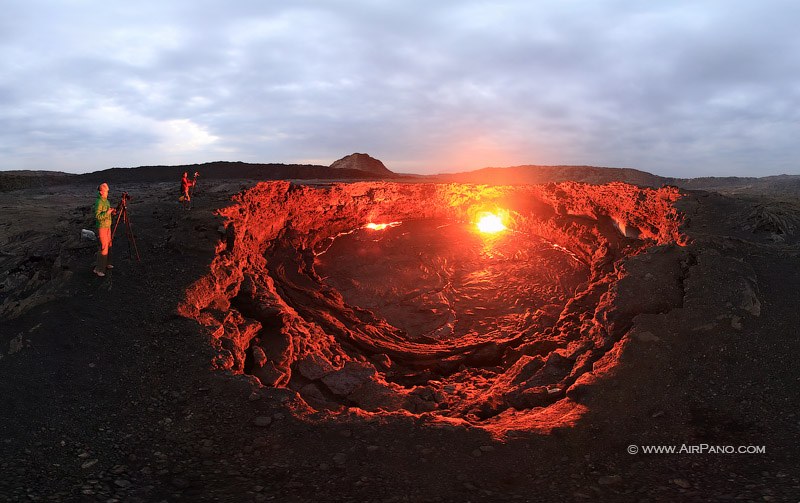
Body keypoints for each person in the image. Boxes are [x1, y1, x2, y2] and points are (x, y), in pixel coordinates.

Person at [92, 183, 116, 277]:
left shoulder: (106, 201)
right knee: (104, 247)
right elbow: (98, 216)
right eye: (106, 191)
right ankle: (99, 269)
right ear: (101, 192)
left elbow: (106, 213)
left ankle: (107, 263)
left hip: (108, 226)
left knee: (109, 244)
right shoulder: (98, 202)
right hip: (102, 227)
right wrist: (107, 212)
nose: (107, 193)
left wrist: (112, 212)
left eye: (108, 191)